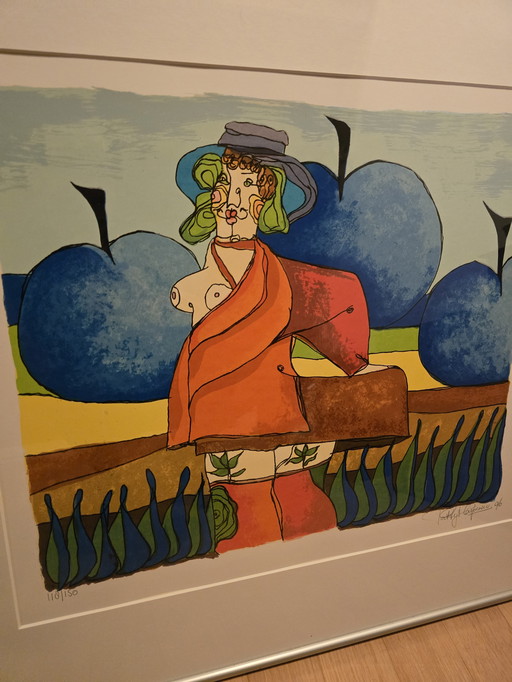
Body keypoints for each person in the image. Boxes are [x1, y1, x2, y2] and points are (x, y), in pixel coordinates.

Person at [168, 122, 387, 550]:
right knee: (244, 518)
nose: (232, 201)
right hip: (224, 418)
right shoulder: (193, 287)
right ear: (210, 194)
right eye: (224, 185)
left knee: (302, 504)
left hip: (282, 410)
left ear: (266, 200)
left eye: (248, 188)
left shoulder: (285, 277)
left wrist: (356, 364)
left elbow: (338, 300)